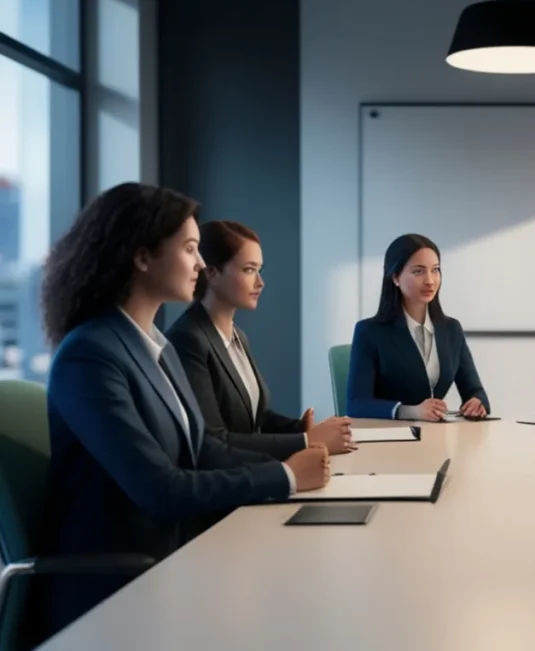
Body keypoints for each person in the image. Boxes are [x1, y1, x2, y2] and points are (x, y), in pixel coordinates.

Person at [37, 183, 329, 638]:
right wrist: (286, 476)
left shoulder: (156, 345)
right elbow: (159, 489)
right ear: (142, 257)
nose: (199, 262)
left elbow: (204, 449)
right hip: (124, 585)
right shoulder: (89, 356)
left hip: (178, 553)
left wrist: (299, 467)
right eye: (190, 248)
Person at [167, 221, 355, 460]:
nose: (260, 282)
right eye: (248, 270)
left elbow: (255, 417)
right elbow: (214, 440)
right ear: (212, 273)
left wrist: (301, 428)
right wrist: (306, 441)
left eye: (260, 270)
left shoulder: (237, 336)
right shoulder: (188, 339)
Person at [347, 233, 490, 421]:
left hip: (436, 439)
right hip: (388, 440)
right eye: (418, 271)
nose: (430, 280)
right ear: (395, 277)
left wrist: (476, 402)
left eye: (435, 270)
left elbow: (475, 391)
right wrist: (410, 411)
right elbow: (356, 404)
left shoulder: (451, 329)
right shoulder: (370, 331)